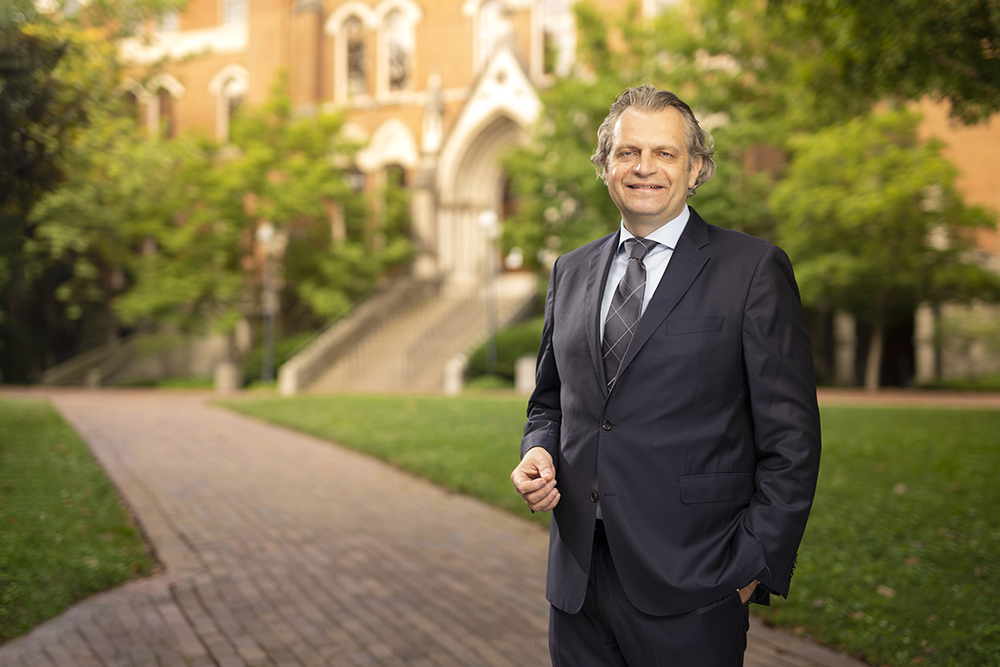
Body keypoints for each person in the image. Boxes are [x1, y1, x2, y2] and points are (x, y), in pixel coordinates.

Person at [510, 84, 822, 667]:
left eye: (665, 153)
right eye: (627, 152)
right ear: (605, 165)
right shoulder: (570, 270)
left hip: (695, 583)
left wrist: (750, 566)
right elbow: (550, 404)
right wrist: (537, 451)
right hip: (578, 583)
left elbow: (793, 440)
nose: (644, 168)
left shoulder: (752, 270)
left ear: (696, 167)